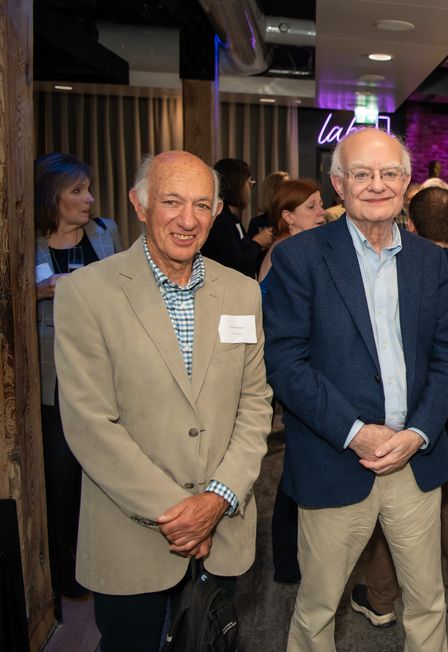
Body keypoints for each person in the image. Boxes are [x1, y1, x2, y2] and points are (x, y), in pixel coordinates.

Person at [53, 151, 273, 652]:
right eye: (172, 202)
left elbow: (256, 403)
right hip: (130, 531)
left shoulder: (242, 293)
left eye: (202, 204)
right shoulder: (87, 293)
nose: (188, 219)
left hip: (224, 527)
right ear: (139, 204)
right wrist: (183, 514)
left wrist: (216, 499)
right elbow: (91, 423)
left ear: (219, 211)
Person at [263, 127, 448, 652]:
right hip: (335, 461)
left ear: (406, 184)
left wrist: (420, 431)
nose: (377, 185)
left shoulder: (430, 261)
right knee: (317, 610)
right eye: (362, 174)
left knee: (427, 604)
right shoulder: (298, 258)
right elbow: (285, 362)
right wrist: (353, 432)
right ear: (338, 184)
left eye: (389, 173)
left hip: (414, 463)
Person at [350, 187, 448, 627]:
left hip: (409, 415)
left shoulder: (409, 268)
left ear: (411, 227)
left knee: (392, 514)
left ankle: (382, 599)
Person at [34, 152, 123, 607]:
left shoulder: (105, 233)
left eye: (88, 189)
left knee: (104, 473)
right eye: (77, 191)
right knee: (61, 477)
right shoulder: (26, 244)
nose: (88, 199)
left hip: (102, 372)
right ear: (52, 197)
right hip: (51, 379)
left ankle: (104, 557)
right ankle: (64, 568)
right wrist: (38, 291)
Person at [256, 178, 327, 584]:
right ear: (288, 217)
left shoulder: (285, 249)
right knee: (296, 464)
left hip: (291, 365)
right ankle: (287, 558)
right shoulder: (288, 252)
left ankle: (291, 556)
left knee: (297, 462)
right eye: (313, 207)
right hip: (289, 368)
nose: (321, 213)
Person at [200, 158, 274, 276]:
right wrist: (258, 242)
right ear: (236, 185)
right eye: (248, 183)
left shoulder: (232, 218)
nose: (249, 189)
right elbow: (237, 266)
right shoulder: (221, 219)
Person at [257, 179, 327, 284]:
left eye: (321, 205)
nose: (322, 211)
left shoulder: (286, 244)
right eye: (311, 206)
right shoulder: (289, 250)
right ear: (288, 217)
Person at [247, 170, 290, 238]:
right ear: (271, 192)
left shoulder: (294, 219)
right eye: (285, 187)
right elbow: (252, 247)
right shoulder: (257, 223)